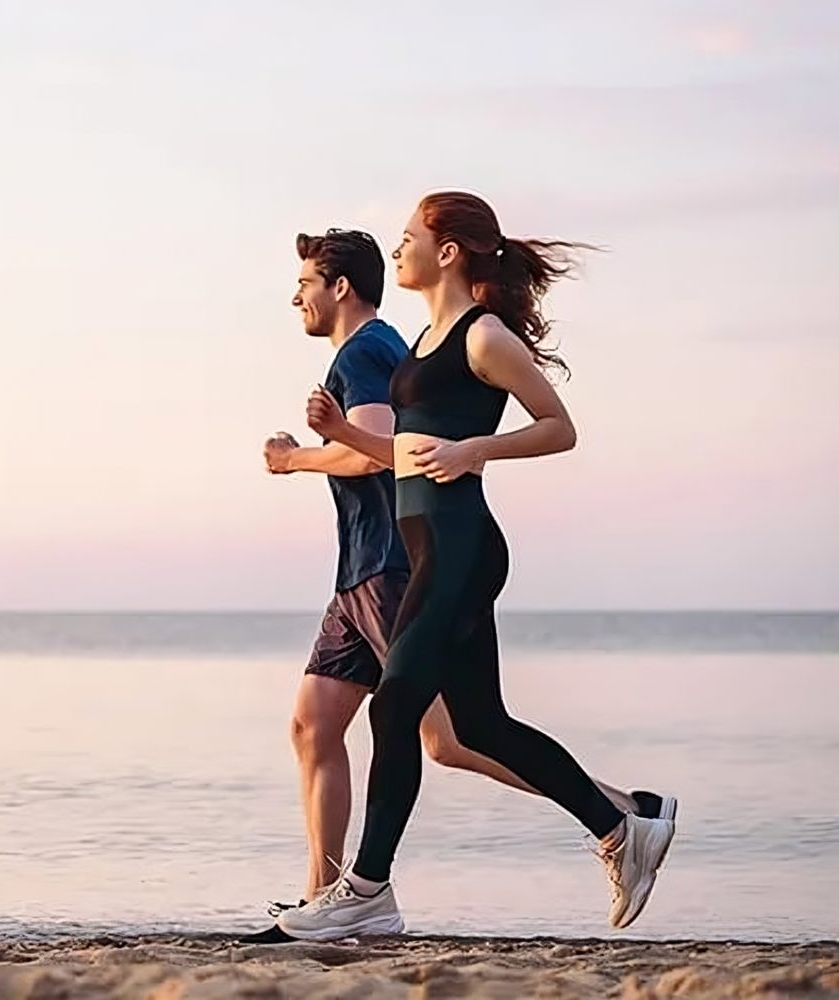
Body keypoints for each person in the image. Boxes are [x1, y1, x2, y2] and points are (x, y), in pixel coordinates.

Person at [251, 227, 671, 943]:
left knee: (414, 723)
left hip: (444, 551)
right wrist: (343, 438)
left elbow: (557, 427)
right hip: (410, 553)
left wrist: (469, 448)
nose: (399, 248)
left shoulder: (471, 338)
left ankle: (364, 891)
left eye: (410, 236)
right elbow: (402, 456)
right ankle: (622, 823)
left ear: (448, 251)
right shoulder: (417, 346)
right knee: (472, 727)